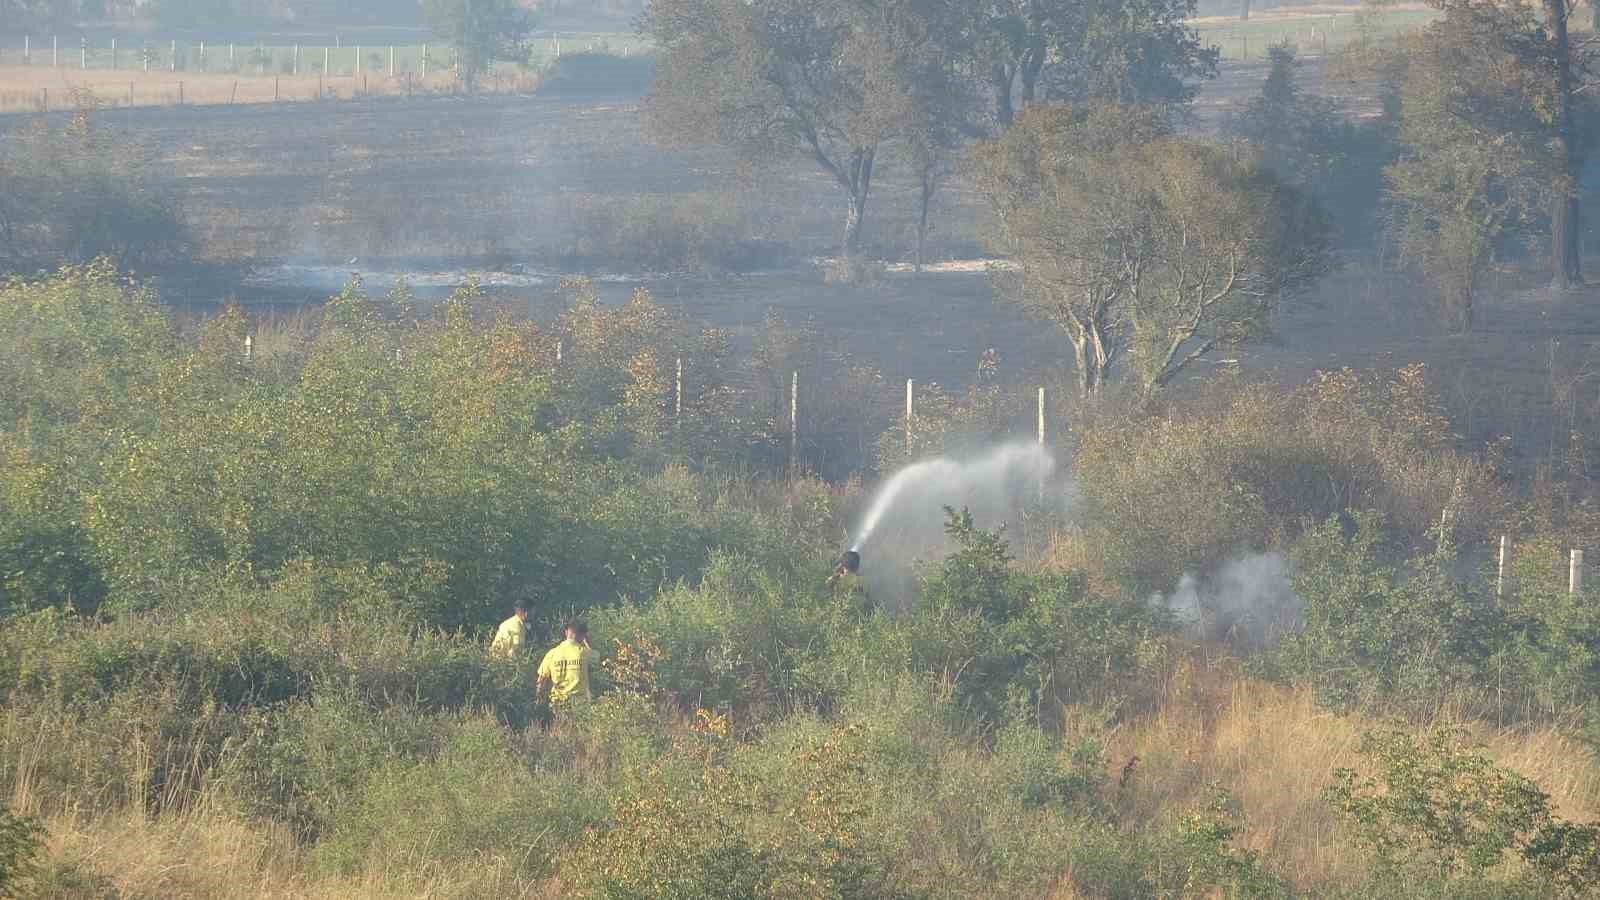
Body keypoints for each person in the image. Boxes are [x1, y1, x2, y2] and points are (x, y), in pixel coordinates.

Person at [536, 619, 595, 706]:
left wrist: (539, 702)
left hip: (557, 704)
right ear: (582, 635)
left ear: (566, 632)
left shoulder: (552, 653)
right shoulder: (584, 653)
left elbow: (541, 681)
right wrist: (589, 644)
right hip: (579, 705)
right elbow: (598, 660)